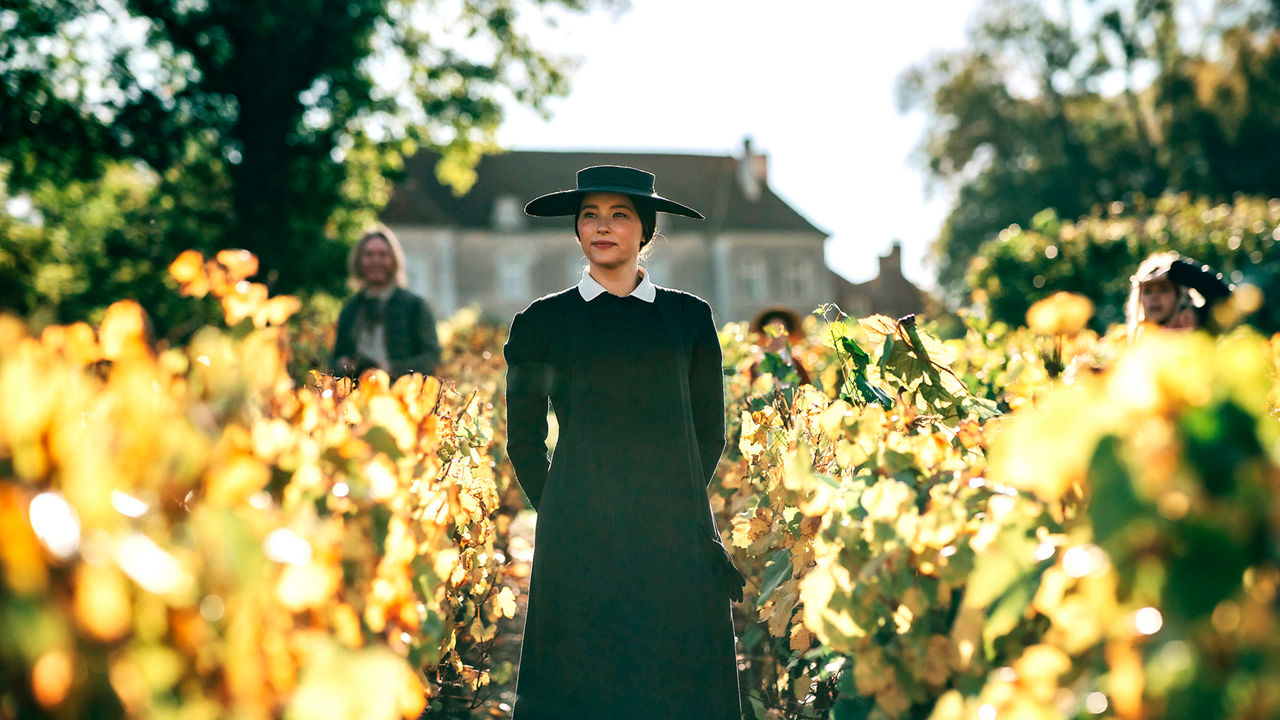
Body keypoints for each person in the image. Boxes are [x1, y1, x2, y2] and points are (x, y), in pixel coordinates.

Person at [503, 166, 743, 719]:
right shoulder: (542, 322)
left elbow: (711, 429)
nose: (602, 227)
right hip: (579, 534)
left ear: (646, 231)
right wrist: (563, 507)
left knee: (675, 682)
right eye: (590, 215)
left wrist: (670, 500)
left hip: (674, 528)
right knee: (583, 683)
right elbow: (524, 440)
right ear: (577, 231)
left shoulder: (689, 318)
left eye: (619, 215)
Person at [330, 225, 441, 379]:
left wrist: (391, 368)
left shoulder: (415, 307)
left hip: (400, 396)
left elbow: (432, 359)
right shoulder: (350, 309)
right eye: (369, 254)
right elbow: (334, 359)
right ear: (359, 261)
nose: (376, 260)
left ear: (393, 260)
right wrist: (342, 364)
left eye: (383, 254)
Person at [1126, 251, 1232, 335]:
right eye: (1147, 291)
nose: (1154, 297)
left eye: (1164, 289)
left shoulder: (1199, 328)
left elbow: (1227, 298)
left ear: (1179, 295)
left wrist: (1175, 271)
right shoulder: (1133, 342)